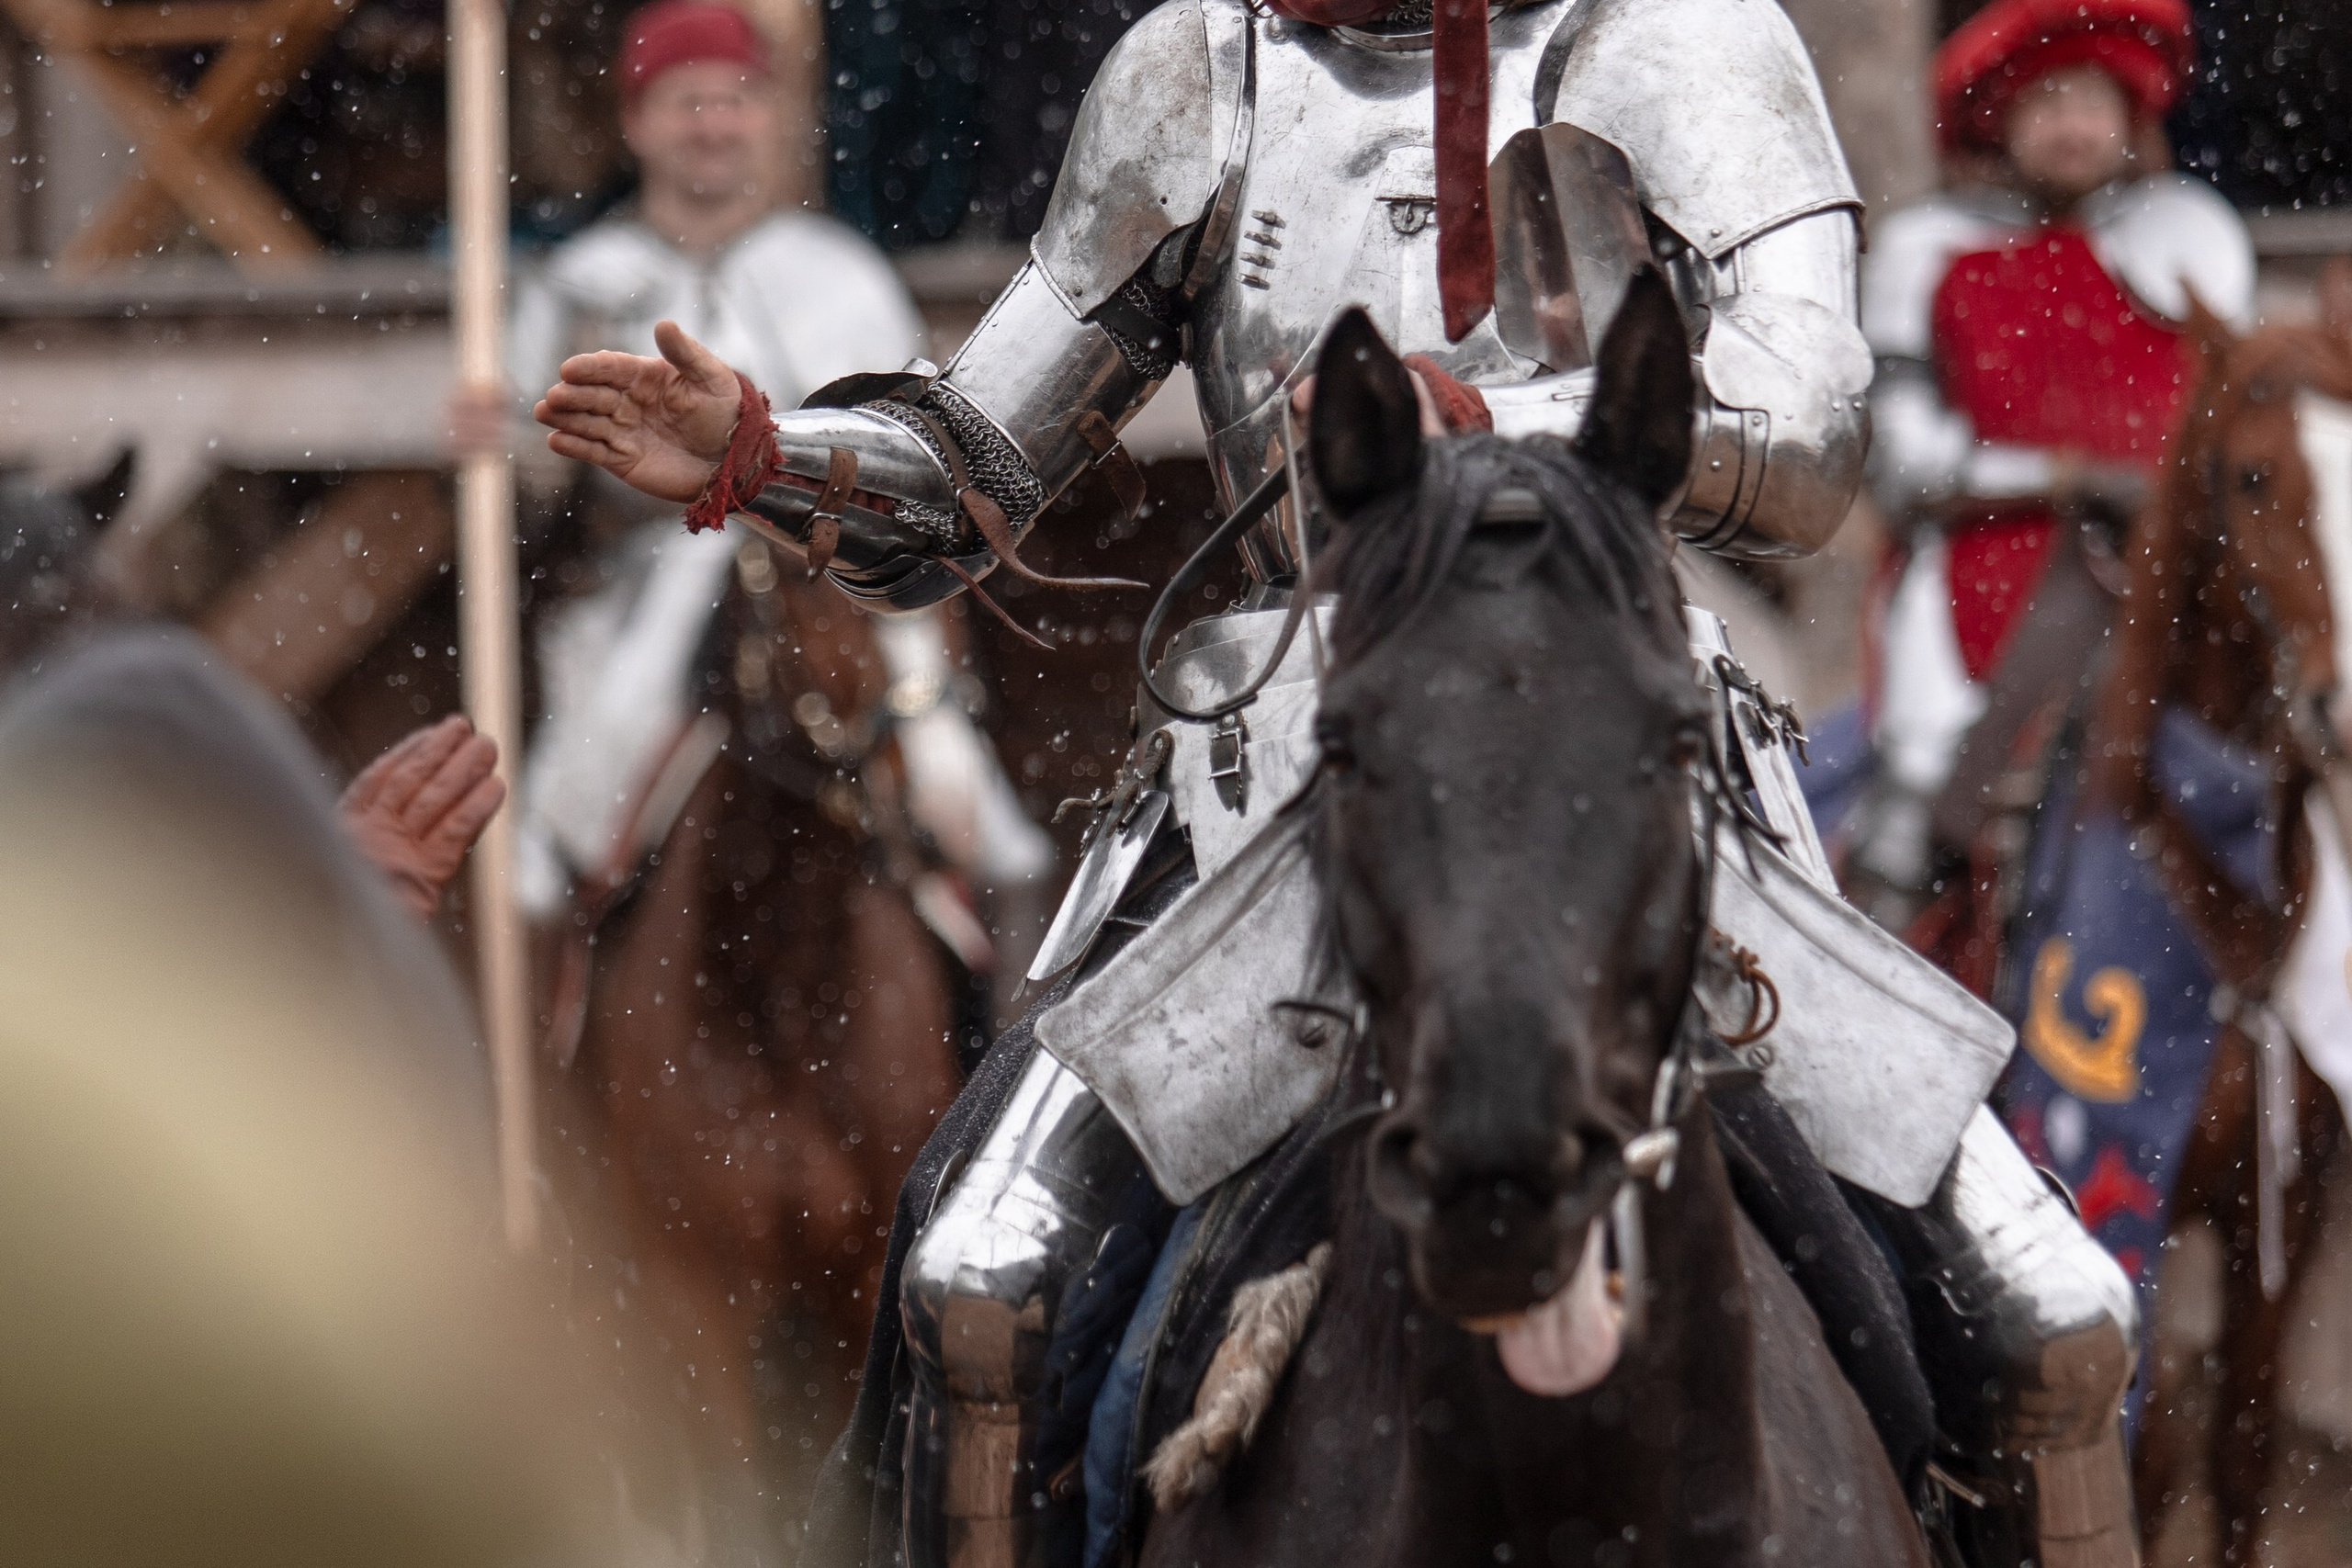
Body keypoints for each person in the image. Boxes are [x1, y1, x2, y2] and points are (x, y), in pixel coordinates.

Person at [533, 0, 2135, 1561]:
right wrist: (770, 456)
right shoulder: (1198, 70)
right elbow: (972, 476)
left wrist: (1491, 417)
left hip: (1631, 772)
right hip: (1276, 781)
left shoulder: (1684, 36)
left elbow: (1810, 433)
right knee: (981, 1274)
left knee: (2048, 1317)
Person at [492, 0, 1050, 946]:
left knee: (973, 813)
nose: (713, 125)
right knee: (548, 850)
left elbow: (922, 459)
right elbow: (533, 503)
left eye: (734, 101)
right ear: (636, 122)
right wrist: (494, 449)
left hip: (837, 589)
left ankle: (1001, 1023)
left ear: (767, 117)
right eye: (686, 103)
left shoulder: (841, 273)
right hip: (640, 591)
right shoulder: (581, 283)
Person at [1849, 0, 2256, 920]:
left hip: (2167, 576)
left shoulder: (2189, 241)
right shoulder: (1929, 252)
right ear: (2001, 121)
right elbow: (1903, 464)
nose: (2071, 127)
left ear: (2128, 116)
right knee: (1915, 841)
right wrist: (2067, 479)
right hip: (1985, 581)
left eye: (2089, 102)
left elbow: (2238, 436)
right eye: (2046, 104)